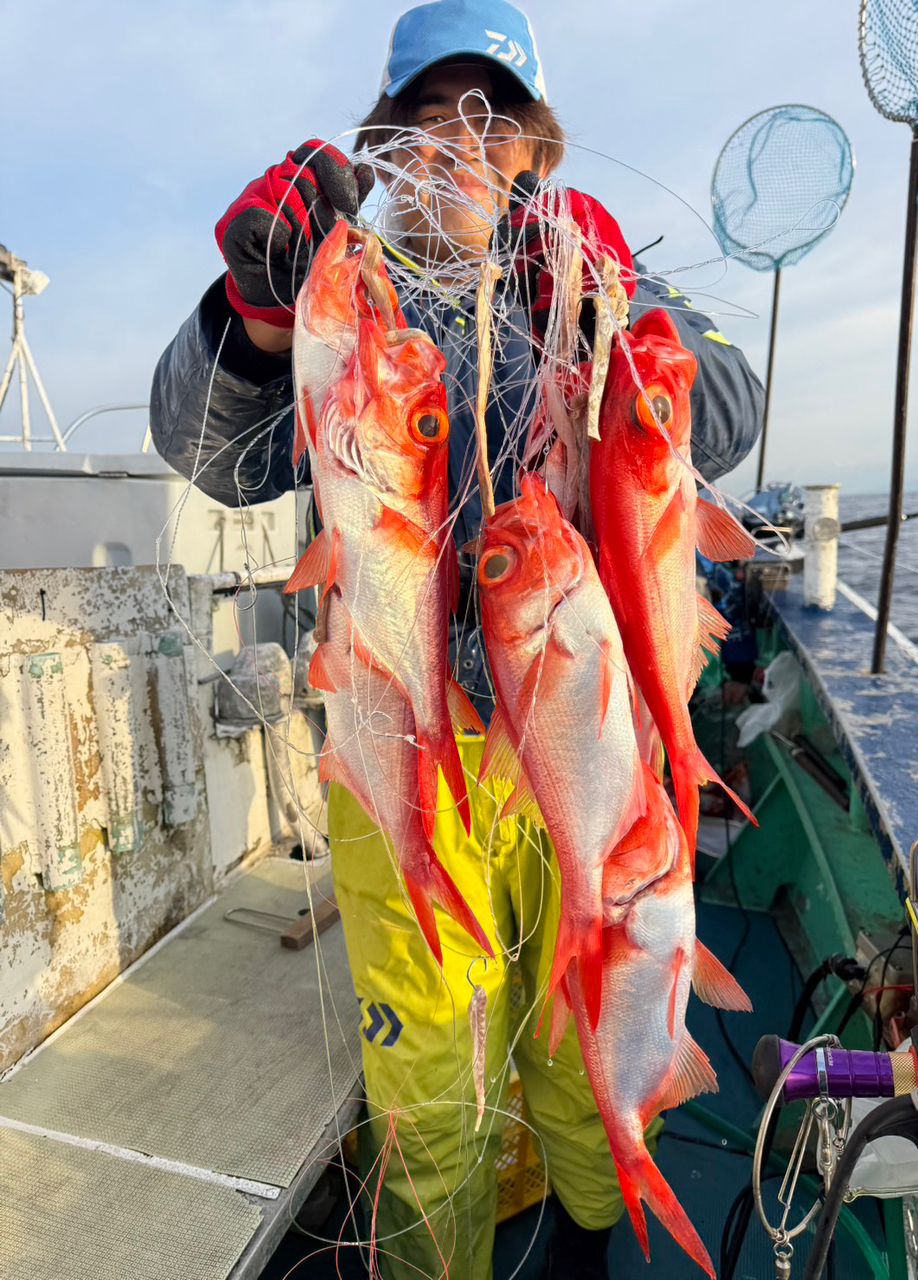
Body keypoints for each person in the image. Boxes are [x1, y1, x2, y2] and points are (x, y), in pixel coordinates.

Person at [151, 3, 764, 1277]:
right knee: (428, 1070)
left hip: (573, 739)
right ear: (384, 142)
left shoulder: (588, 281)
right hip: (403, 738)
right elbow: (207, 450)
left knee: (575, 1038)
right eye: (427, 117)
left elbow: (728, 407)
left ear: (534, 152)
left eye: (489, 120)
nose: (455, 145)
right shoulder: (355, 301)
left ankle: (596, 1238)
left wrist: (633, 310)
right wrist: (258, 313)